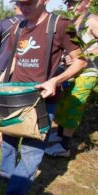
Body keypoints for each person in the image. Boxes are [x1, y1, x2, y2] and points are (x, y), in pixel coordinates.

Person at [0, 0, 87, 194]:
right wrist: (0, 79)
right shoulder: (17, 27)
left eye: (29, 2)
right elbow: (17, 58)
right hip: (15, 96)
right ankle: (6, 174)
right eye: (19, 3)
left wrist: (55, 81)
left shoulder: (61, 25)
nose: (24, 6)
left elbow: (80, 61)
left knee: (31, 149)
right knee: (8, 139)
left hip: (42, 100)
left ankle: (16, 189)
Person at [46, 0, 98, 157]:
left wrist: (84, 57)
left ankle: (64, 147)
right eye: (68, 2)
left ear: (87, 3)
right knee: (64, 102)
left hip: (88, 72)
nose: (70, 5)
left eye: (74, 2)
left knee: (73, 107)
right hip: (73, 70)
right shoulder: (74, 20)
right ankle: (60, 135)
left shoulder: (93, 20)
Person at [0, 3, 24, 147]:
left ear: (15, 6)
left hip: (1, 63)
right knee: (11, 99)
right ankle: (2, 134)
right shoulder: (30, 23)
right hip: (19, 66)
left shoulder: (4, 22)